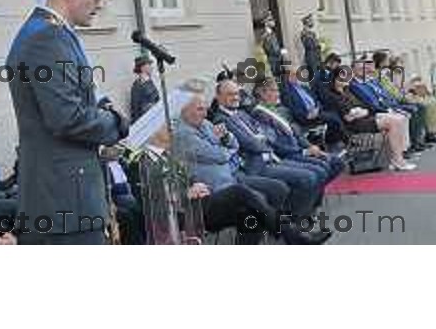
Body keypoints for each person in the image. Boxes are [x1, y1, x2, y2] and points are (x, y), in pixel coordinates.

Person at [6, 0, 129, 245]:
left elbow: (79, 104)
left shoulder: (54, 33)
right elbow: (68, 118)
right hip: (64, 202)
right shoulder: (47, 38)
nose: (100, 3)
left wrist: (102, 114)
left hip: (65, 197)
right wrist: (116, 123)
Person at [136, 89, 330, 245]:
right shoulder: (148, 159)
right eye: (164, 126)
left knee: (251, 212)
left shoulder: (167, 153)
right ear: (151, 133)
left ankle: (286, 236)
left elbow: (226, 148)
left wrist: (193, 182)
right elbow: (154, 198)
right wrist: (186, 191)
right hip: (188, 209)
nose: (170, 128)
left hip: (205, 195)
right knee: (240, 193)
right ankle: (292, 236)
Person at [211, 79, 323, 217]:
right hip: (256, 166)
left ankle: (297, 215)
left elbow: (265, 134)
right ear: (218, 97)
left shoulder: (241, 113)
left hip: (271, 157)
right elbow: (249, 143)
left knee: (317, 171)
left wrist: (261, 139)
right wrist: (261, 140)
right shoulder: (221, 120)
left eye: (237, 94)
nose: (235, 97)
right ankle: (295, 219)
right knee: (308, 177)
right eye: (230, 94)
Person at [252, 79, 345, 188]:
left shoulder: (279, 111)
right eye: (273, 91)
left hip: (298, 149)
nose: (278, 94)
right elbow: (276, 144)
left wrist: (310, 146)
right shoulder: (260, 115)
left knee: (337, 163)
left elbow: (296, 134)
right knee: (322, 168)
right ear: (261, 94)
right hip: (288, 155)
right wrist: (305, 151)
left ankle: (314, 194)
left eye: (277, 91)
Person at [321, 72, 416, 171]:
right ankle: (398, 160)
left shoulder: (347, 92)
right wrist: (359, 112)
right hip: (354, 125)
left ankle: (396, 158)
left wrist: (360, 112)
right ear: (335, 81)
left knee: (398, 119)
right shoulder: (333, 97)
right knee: (393, 123)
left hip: (364, 118)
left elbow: (364, 107)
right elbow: (348, 118)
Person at [280, 63, 346, 148]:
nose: (296, 77)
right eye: (293, 75)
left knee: (335, 112)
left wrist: (317, 108)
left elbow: (316, 99)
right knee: (333, 119)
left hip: (317, 112)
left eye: (297, 74)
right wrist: (306, 115)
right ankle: (340, 141)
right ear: (287, 78)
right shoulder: (287, 93)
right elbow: (293, 108)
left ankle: (338, 140)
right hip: (306, 117)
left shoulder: (304, 87)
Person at [130, 54, 160, 122]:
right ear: (142, 67)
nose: (151, 67)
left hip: (154, 117)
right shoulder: (137, 85)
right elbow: (135, 109)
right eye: (149, 65)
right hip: (147, 120)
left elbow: (156, 99)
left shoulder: (149, 81)